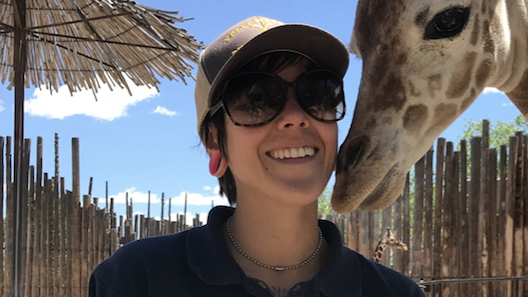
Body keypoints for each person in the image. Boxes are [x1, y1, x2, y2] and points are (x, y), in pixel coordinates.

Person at [88, 16, 425, 297]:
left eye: (318, 92)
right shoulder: (135, 280)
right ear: (214, 140)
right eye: (257, 98)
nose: (296, 116)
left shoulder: (396, 293)